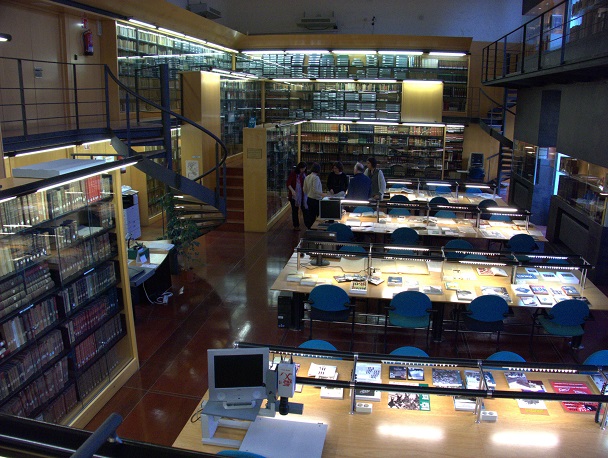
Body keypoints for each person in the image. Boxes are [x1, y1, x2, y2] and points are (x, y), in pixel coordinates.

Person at [303, 162, 325, 229]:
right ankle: (318, 231)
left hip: (309, 199)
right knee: (319, 217)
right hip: (316, 200)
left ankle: (310, 231)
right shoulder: (316, 178)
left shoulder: (307, 177)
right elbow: (315, 190)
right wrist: (323, 194)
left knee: (311, 217)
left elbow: (304, 190)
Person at [286, 161, 307, 230]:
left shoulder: (303, 174)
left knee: (304, 209)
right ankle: (296, 225)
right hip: (294, 196)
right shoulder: (293, 174)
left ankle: (306, 223)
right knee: (295, 210)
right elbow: (288, 183)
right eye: (302, 169)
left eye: (304, 169)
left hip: (302, 195)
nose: (303, 170)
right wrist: (292, 191)